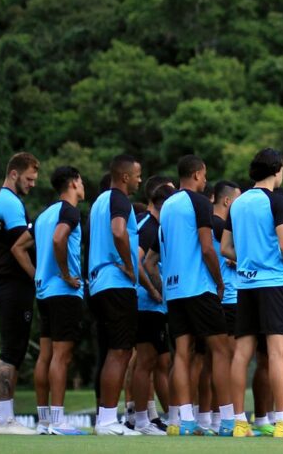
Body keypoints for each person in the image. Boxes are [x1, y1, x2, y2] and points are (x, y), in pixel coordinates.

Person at [221, 148, 283, 438]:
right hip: (274, 282)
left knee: (241, 354)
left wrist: (248, 259)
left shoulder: (237, 203)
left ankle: (238, 422)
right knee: (278, 353)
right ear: (278, 169)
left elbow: (225, 248)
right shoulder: (278, 201)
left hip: (245, 285)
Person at [146, 155, 233, 436]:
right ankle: (229, 421)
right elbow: (208, 248)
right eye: (204, 175)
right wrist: (219, 281)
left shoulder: (167, 205)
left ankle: (185, 421)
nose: (206, 180)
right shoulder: (199, 203)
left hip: (174, 290)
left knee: (182, 354)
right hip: (199, 286)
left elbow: (161, 249)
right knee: (221, 350)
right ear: (196, 174)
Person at [12, 166, 85, 436]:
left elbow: (17, 247)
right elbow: (59, 239)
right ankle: (57, 420)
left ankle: (44, 421)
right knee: (62, 357)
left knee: (46, 355)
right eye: (81, 181)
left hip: (43, 293)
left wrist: (37, 275)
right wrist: (66, 274)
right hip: (64, 293)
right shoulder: (69, 210)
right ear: (74, 182)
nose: (83, 186)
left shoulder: (44, 214)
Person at [88, 154, 142, 436]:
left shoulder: (98, 202)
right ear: (124, 177)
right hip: (116, 282)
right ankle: (108, 421)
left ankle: (106, 418)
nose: (139, 180)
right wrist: (131, 267)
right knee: (120, 351)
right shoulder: (119, 198)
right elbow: (119, 232)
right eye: (137, 175)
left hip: (97, 283)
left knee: (113, 350)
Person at [0, 152, 40, 435]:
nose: (32, 185)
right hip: (10, 284)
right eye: (29, 179)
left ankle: (6, 418)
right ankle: (5, 419)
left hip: (9, 284)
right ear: (14, 174)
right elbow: (20, 246)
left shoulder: (8, 200)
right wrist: (37, 276)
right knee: (11, 351)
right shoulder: (8, 201)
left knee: (16, 350)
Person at [131, 178, 175, 435]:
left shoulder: (148, 223)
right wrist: (154, 290)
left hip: (150, 303)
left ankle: (162, 416)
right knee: (145, 361)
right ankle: (141, 420)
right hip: (145, 303)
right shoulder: (149, 225)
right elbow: (140, 262)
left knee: (158, 360)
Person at [208, 180, 242, 434]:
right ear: (227, 201)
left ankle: (211, 416)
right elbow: (230, 253)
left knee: (213, 361)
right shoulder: (220, 225)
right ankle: (227, 418)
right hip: (229, 297)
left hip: (214, 296)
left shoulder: (206, 222)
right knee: (229, 360)